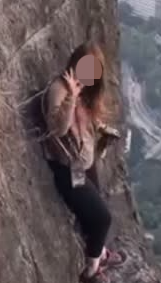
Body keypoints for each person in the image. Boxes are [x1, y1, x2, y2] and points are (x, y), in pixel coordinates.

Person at [44, 43, 127, 283]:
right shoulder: (60, 89)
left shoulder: (85, 90)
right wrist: (71, 96)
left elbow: (83, 123)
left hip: (82, 165)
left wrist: (101, 129)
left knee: (94, 209)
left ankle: (100, 252)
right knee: (102, 218)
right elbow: (58, 130)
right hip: (68, 169)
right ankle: (91, 272)